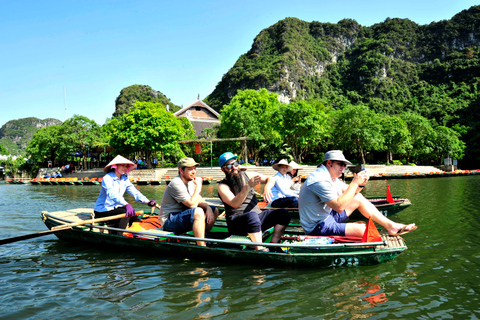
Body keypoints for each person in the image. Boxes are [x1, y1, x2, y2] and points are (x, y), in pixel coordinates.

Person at [299, 150, 417, 237]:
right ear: (329, 163)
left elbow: (352, 193)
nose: (343, 168)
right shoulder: (320, 179)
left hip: (328, 217)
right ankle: (356, 229)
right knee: (363, 230)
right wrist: (354, 183)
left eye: (344, 165)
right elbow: (339, 207)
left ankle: (391, 226)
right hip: (317, 227)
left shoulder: (331, 177)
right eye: (340, 164)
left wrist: (360, 184)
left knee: (358, 198)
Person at [217, 152, 291, 251]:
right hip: (237, 223)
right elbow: (235, 204)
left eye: (235, 164)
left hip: (256, 219)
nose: (234, 168)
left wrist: (267, 188)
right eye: (229, 166)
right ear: (223, 169)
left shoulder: (248, 175)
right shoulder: (223, 186)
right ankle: (259, 248)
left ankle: (274, 244)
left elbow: (271, 178)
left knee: (283, 213)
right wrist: (248, 186)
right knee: (252, 216)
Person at [160, 157, 219, 246]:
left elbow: (199, 199)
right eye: (190, 169)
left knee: (214, 210)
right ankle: (201, 246)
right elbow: (192, 205)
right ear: (181, 170)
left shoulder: (191, 182)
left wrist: (208, 208)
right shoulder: (176, 183)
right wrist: (199, 185)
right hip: (169, 220)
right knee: (198, 211)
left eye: (194, 169)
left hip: (183, 215)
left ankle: (203, 236)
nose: (194, 172)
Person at [94, 155, 157, 235]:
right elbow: (112, 194)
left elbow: (135, 192)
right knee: (126, 213)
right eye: (122, 165)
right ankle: (119, 236)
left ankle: (134, 234)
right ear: (115, 166)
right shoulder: (107, 178)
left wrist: (147, 202)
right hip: (102, 210)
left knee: (134, 214)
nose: (124, 168)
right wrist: (126, 204)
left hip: (115, 208)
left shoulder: (124, 179)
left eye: (126, 166)